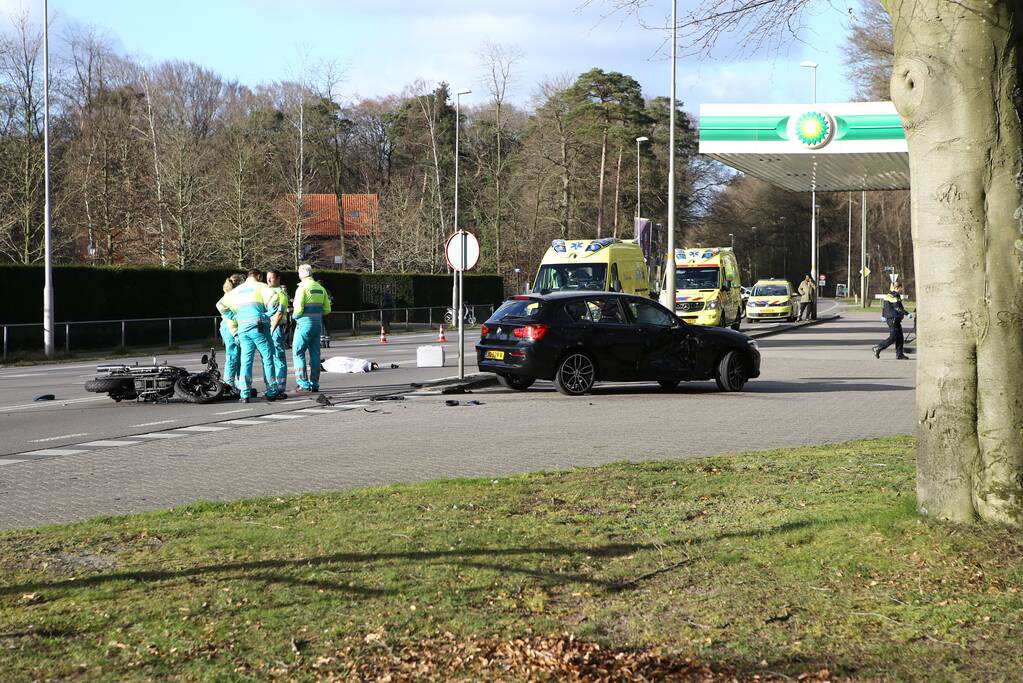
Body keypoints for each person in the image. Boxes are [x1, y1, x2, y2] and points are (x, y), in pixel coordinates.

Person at [223, 269, 286, 403]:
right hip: (259, 327)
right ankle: (271, 391)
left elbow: (221, 305)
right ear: (259, 276)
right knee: (267, 358)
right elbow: (275, 299)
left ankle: (244, 394)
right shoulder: (261, 287)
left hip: (243, 328)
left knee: (246, 360)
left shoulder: (238, 290)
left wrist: (235, 316)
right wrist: (267, 314)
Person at [292, 264, 332, 394]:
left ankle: (303, 383)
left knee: (298, 352)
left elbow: (298, 310)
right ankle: (315, 383)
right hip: (317, 324)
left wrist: (294, 316)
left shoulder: (302, 288)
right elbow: (327, 309)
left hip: (304, 324)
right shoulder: (321, 288)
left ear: (300, 274)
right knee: (315, 353)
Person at [215, 273, 245, 395]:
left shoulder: (230, 295)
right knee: (233, 356)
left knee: (236, 356)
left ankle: (236, 383)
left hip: (230, 328)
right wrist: (235, 316)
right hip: (231, 329)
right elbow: (220, 306)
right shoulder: (233, 295)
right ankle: (229, 384)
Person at [266, 269, 290, 393]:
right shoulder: (266, 291)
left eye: (272, 278)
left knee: (278, 356)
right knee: (269, 357)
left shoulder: (281, 293)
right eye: (267, 277)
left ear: (278, 278)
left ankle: (280, 386)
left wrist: (272, 329)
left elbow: (280, 313)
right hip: (268, 327)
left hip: (277, 327)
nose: (269, 280)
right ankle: (272, 384)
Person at [873, 283, 910, 360]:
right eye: (901, 288)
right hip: (893, 319)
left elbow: (884, 307)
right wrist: (907, 314)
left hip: (893, 319)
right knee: (893, 337)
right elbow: (897, 308)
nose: (902, 289)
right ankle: (878, 347)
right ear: (898, 288)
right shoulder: (894, 296)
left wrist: (883, 315)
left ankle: (899, 354)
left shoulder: (889, 295)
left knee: (900, 337)